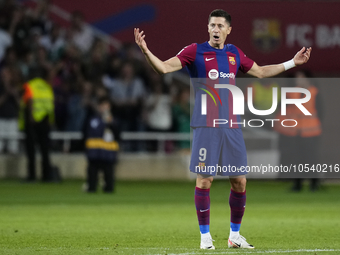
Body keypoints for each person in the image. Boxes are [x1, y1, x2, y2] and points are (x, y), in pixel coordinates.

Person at [134, 9, 311, 250]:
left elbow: (260, 71)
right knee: (205, 180)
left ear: (228, 30)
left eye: (220, 26)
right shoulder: (194, 51)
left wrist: (292, 62)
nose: (215, 29)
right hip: (207, 125)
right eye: (212, 25)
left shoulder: (234, 53)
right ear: (207, 28)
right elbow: (164, 68)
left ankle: (234, 235)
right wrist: (146, 51)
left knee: (239, 181)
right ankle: (205, 237)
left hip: (232, 125)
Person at [274, 70, 323, 192]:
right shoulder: (291, 93)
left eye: (300, 78)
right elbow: (282, 110)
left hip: (311, 132)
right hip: (295, 132)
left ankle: (314, 184)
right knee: (296, 159)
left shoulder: (315, 92)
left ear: (307, 79)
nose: (298, 80)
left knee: (311, 159)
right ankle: (297, 184)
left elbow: (321, 112)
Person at [19, 67, 54, 182]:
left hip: (32, 120)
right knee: (45, 149)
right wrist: (50, 121)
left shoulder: (29, 85)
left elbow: (29, 100)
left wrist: (30, 117)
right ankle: (47, 176)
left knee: (31, 150)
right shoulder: (47, 86)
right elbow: (50, 105)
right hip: (45, 120)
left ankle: (32, 175)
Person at [84, 97, 120, 193]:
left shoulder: (113, 121)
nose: (105, 108)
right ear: (99, 107)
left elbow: (118, 135)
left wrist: (110, 123)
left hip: (108, 154)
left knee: (109, 183)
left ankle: (107, 189)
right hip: (94, 153)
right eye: (103, 106)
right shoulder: (92, 119)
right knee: (92, 181)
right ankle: (91, 188)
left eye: (107, 106)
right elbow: (86, 134)